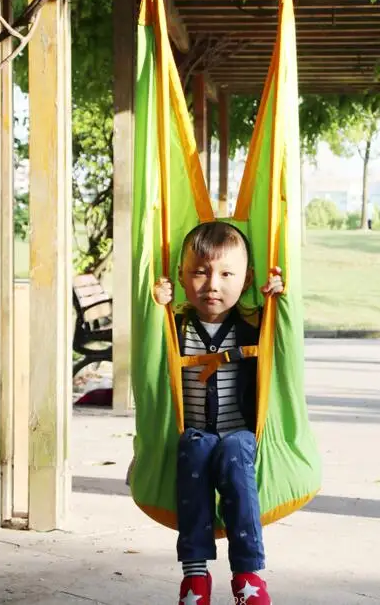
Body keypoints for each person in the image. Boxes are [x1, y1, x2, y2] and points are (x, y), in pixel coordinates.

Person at [153, 221, 284, 605]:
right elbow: (149, 349)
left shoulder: (253, 323)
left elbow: (285, 334)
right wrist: (154, 304)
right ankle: (195, 576)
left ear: (246, 280)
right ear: (181, 276)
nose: (213, 284)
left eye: (227, 273)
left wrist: (280, 297)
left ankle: (248, 576)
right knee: (193, 448)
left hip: (240, 433)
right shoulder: (174, 324)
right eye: (199, 271)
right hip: (194, 432)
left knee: (234, 450)